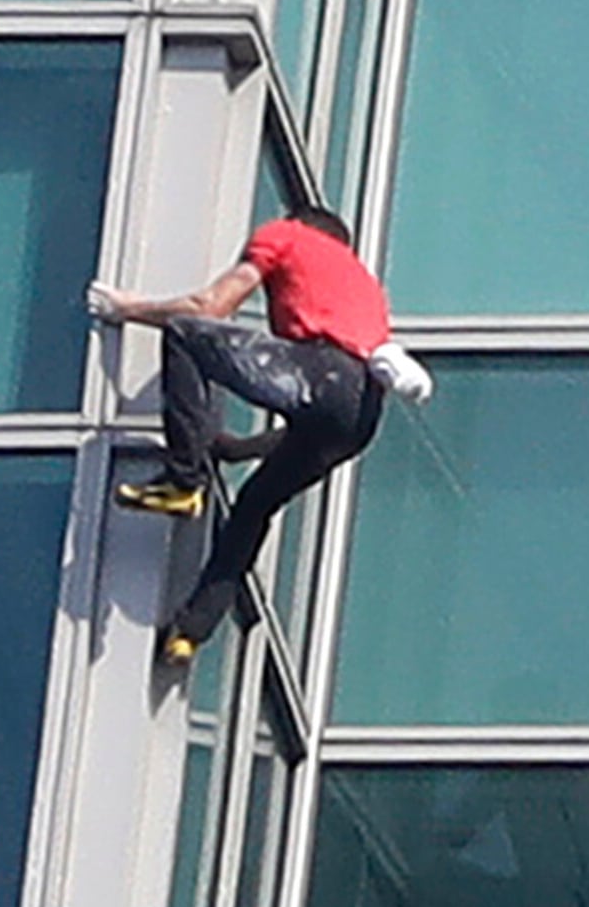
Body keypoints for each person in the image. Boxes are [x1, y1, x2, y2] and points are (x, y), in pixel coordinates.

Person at [87, 207, 428, 665]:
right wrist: (231, 448)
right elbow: (327, 416)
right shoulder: (365, 284)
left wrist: (125, 309)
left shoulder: (286, 235)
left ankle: (184, 480)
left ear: (300, 224)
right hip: (359, 416)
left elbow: (209, 307)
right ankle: (190, 632)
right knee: (253, 507)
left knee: (186, 334)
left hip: (321, 373)